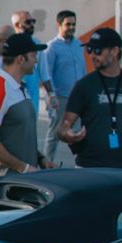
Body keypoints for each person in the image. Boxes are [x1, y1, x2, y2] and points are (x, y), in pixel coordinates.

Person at [55, 27, 122, 169]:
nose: (92, 55)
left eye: (98, 51)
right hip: (90, 168)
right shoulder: (83, 86)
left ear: (114, 51)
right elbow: (63, 127)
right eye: (90, 50)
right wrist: (67, 133)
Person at [0, 29, 45, 180]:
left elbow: (19, 135)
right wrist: (23, 167)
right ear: (21, 59)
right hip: (4, 185)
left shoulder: (20, 87)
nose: (36, 61)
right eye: (34, 55)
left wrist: (41, 159)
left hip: (21, 181)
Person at [39, 10, 86, 166]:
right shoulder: (52, 48)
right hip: (61, 98)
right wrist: (51, 96)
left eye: (73, 24)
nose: (71, 27)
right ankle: (47, 164)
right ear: (59, 25)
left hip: (78, 97)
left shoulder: (79, 44)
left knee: (79, 132)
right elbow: (47, 74)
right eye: (68, 24)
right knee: (54, 133)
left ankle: (81, 164)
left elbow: (83, 70)